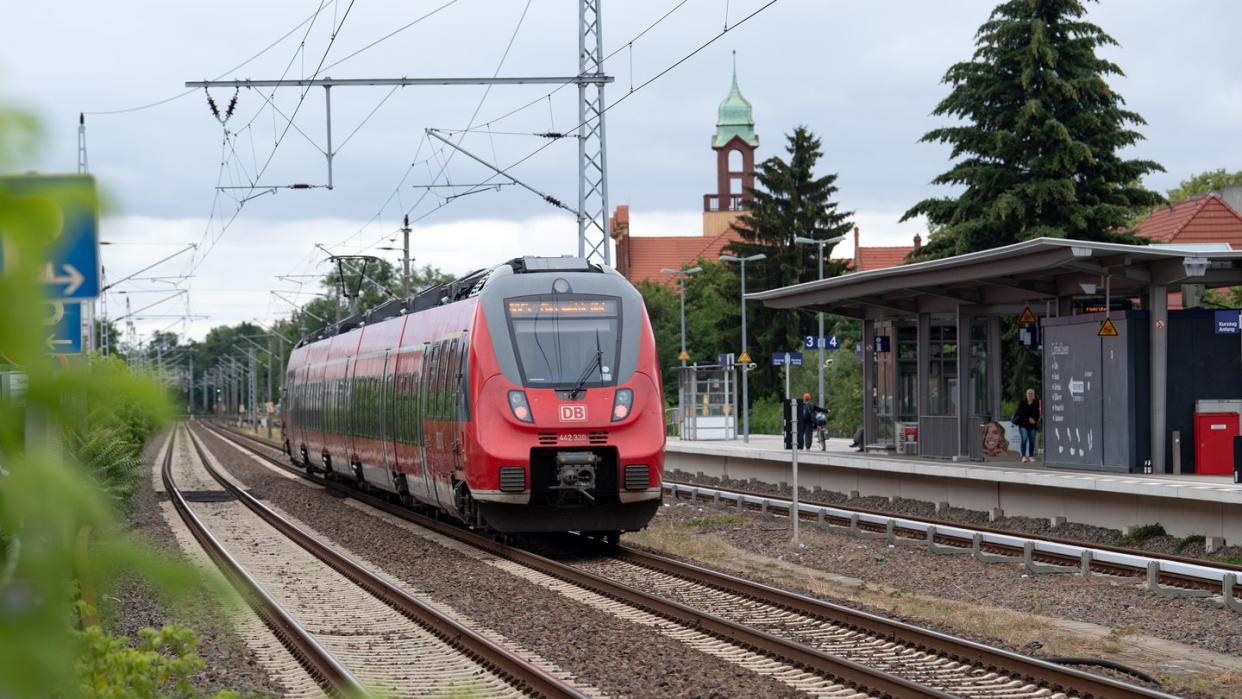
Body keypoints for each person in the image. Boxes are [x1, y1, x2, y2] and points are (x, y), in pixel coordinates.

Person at [1014, 388, 1041, 462]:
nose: (1030, 395)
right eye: (1029, 393)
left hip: (1033, 425)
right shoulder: (1022, 403)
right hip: (1023, 425)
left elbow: (1038, 414)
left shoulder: (1036, 403)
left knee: (1032, 441)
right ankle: (1023, 456)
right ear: (1026, 395)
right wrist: (1028, 419)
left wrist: (1034, 420)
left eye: (1032, 393)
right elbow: (1020, 413)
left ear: (1034, 395)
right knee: (1024, 439)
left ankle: (1031, 456)